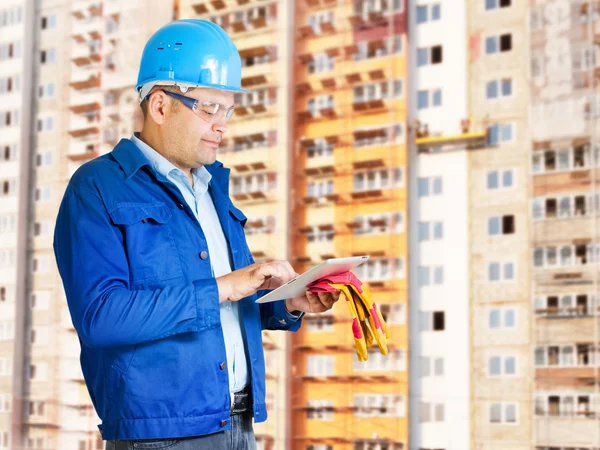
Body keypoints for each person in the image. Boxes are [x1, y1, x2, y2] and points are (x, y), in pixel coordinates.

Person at [53, 19, 340, 450]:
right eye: (208, 108)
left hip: (238, 423)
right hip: (160, 436)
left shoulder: (212, 190)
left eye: (227, 110)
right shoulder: (97, 188)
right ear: (161, 106)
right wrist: (225, 286)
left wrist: (287, 303)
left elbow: (218, 308)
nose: (222, 125)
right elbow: (102, 317)